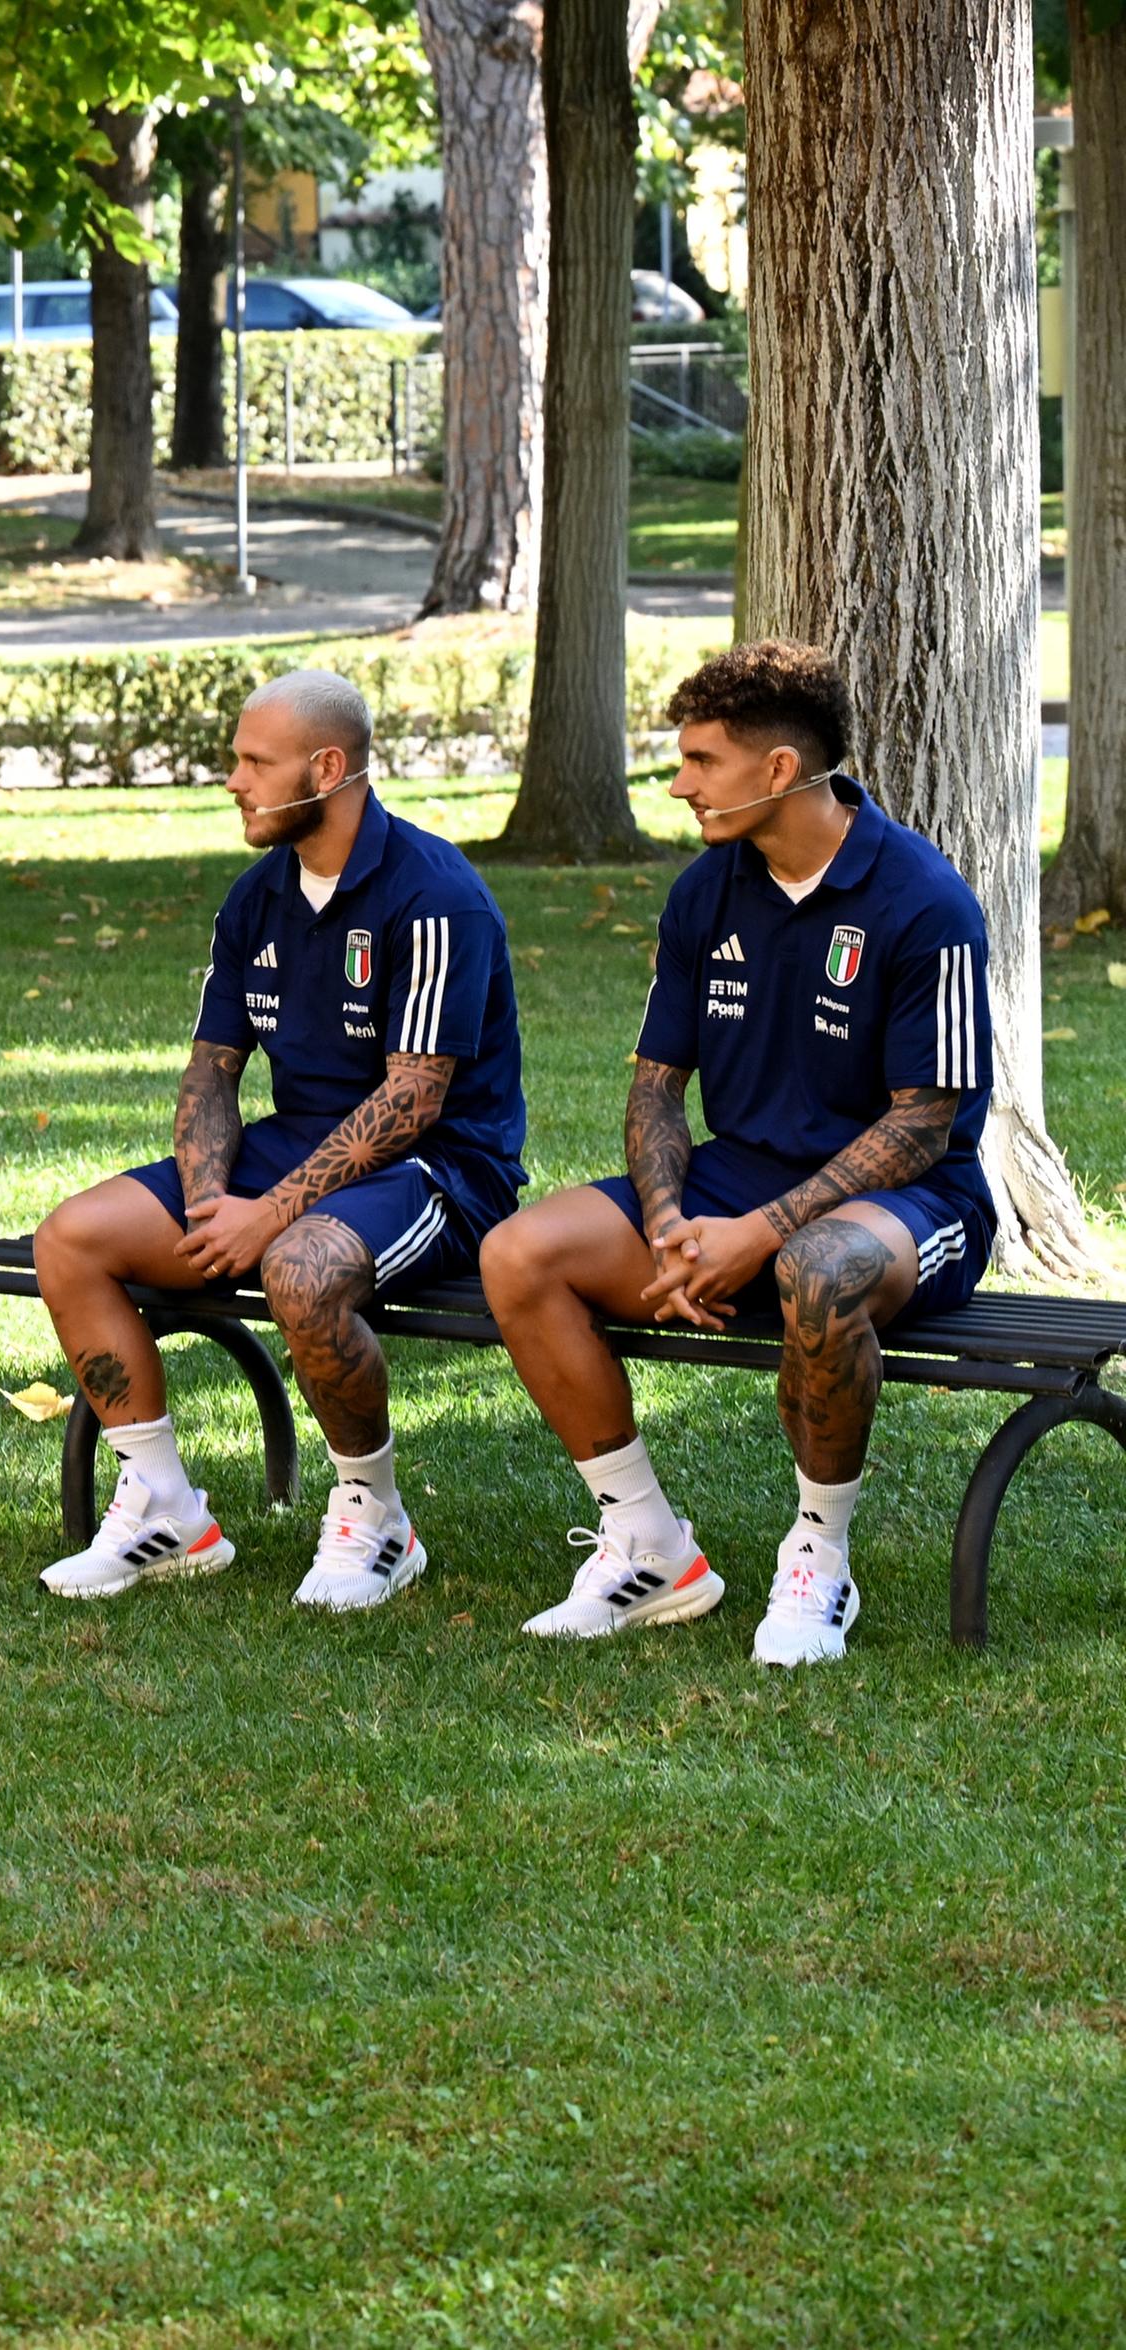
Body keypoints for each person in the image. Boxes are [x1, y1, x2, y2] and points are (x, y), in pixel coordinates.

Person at [478, 641, 991, 1667]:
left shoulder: (924, 901)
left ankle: (818, 1557)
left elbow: (921, 1125)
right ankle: (648, 1543)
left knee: (817, 1269)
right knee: (517, 1255)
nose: (680, 783)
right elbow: (658, 1083)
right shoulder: (707, 893)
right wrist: (671, 1223)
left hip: (914, 1202)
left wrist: (757, 1235)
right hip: (734, 1180)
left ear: (778, 772)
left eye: (701, 761)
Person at [26, 670, 525, 1611]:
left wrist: (269, 1218)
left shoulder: (433, 896)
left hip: (438, 1169)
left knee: (297, 1267)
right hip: (289, 1150)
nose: (234, 780)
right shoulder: (257, 898)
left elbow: (414, 1101)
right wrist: (213, 1199)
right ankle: (164, 1509)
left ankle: (376, 1519)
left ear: (327, 767)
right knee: (73, 1239)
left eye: (256, 762)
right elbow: (213, 1070)